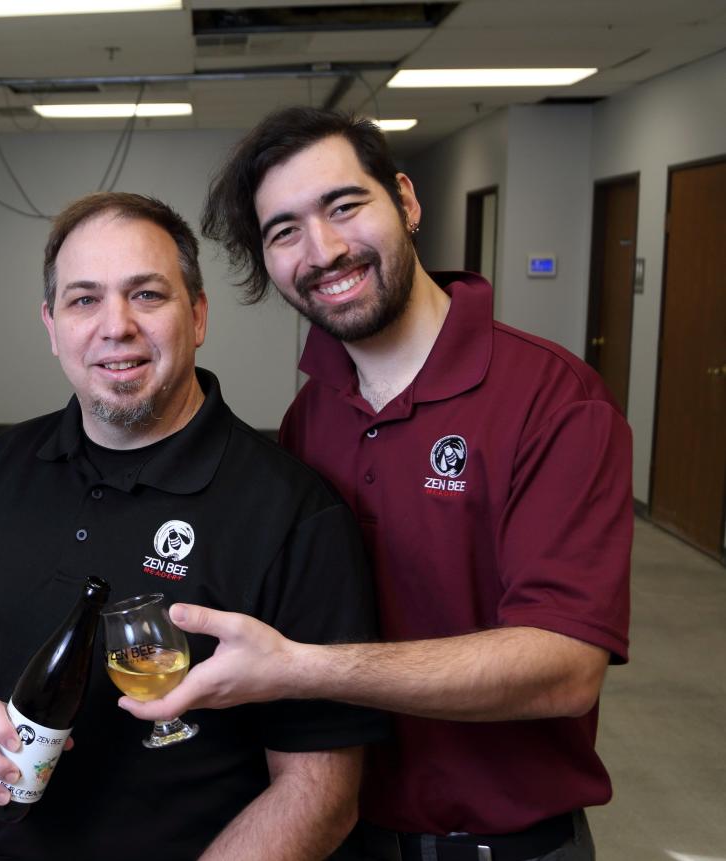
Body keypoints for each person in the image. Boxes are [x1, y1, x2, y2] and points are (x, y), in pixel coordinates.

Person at [121, 107, 632, 860]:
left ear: (406, 199)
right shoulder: (311, 414)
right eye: (284, 230)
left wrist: (302, 668)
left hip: (498, 845)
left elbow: (563, 670)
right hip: (339, 832)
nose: (322, 250)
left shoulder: (552, 398)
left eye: (343, 206)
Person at [0, 191, 389, 861]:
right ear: (51, 324)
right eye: (83, 299)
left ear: (199, 313)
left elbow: (320, 793)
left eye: (147, 295)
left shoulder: (294, 512)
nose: (115, 325)